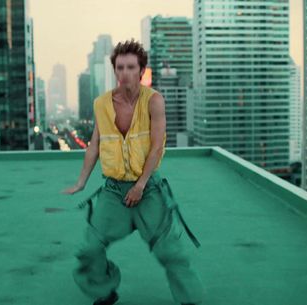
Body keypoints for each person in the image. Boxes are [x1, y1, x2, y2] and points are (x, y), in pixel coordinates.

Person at [63, 39, 204, 305]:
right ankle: (105, 289)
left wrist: (140, 185)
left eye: (131, 67)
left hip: (148, 188)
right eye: (120, 67)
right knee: (89, 249)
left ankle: (191, 301)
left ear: (141, 70)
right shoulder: (102, 104)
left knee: (170, 252)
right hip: (114, 190)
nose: (125, 72)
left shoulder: (154, 101)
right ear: (114, 70)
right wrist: (81, 181)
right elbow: (95, 143)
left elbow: (156, 148)